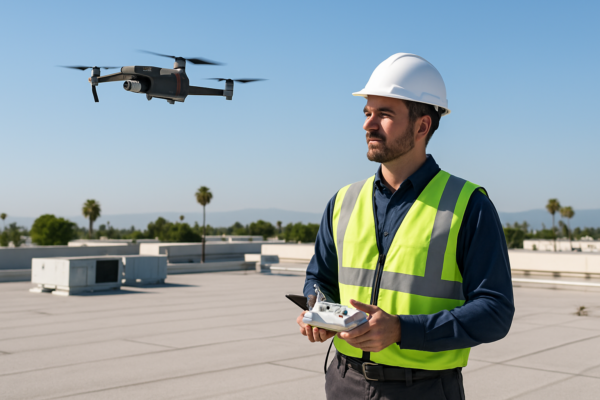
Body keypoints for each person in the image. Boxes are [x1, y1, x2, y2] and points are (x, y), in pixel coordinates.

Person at [296, 53, 514, 400]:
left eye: (384, 114)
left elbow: (495, 311)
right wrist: (319, 310)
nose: (368, 125)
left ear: (422, 126)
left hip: (424, 389)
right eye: (368, 113)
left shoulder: (469, 205)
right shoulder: (343, 201)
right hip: (344, 381)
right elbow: (319, 277)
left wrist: (401, 330)